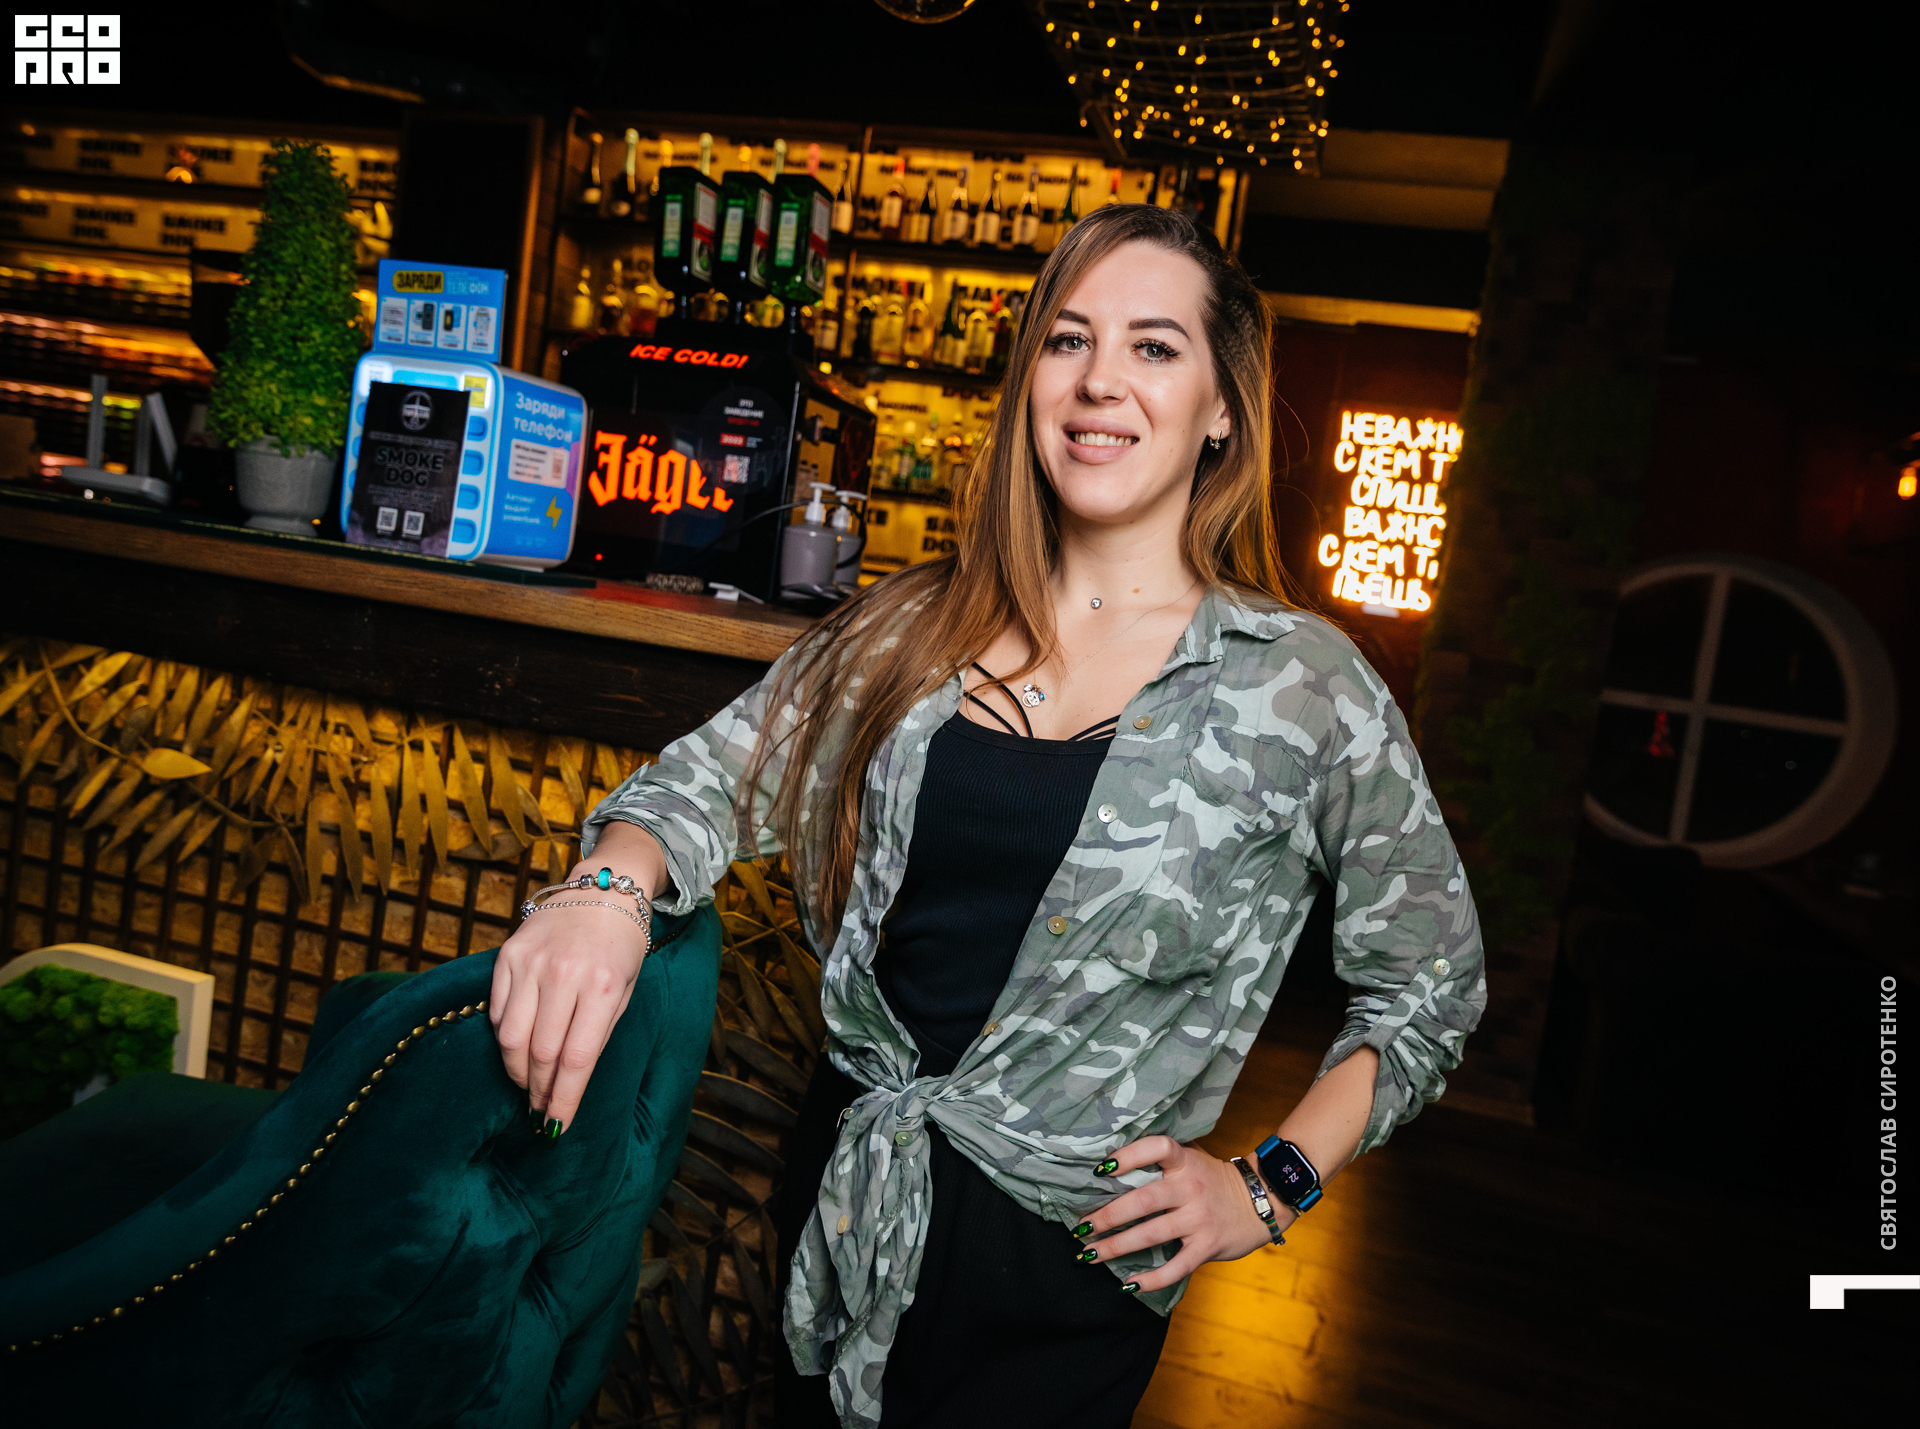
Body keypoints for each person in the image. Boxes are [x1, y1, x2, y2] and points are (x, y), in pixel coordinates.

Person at [489, 203, 1486, 1429]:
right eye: (1068, 339)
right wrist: (606, 894)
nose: (1099, 380)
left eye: (1153, 346)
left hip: (1069, 1269)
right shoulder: (913, 624)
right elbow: (702, 782)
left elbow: (1430, 983)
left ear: (1223, 406)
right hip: (843, 1201)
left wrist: (1266, 1186)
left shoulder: (1305, 688)